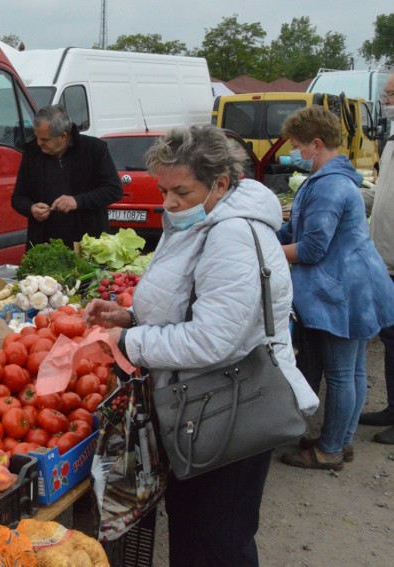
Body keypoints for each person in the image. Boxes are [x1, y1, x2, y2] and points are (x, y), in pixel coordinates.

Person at [85, 125, 318, 567]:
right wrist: (131, 316)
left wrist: (131, 340)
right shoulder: (204, 220)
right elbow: (193, 303)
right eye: (164, 190)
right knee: (196, 528)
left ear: (222, 183)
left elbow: (216, 339)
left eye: (181, 192)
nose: (169, 203)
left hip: (230, 406)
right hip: (203, 403)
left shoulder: (232, 235)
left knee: (218, 538)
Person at [276, 106, 394, 469]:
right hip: (359, 284)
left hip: (343, 291)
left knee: (343, 374)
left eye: (297, 146)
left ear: (315, 144)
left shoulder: (329, 186)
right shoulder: (339, 178)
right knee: (354, 371)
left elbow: (311, 249)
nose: (293, 153)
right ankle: (341, 441)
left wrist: (263, 251)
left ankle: (329, 451)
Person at [11, 104, 122, 248]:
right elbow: (17, 198)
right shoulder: (32, 154)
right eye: (37, 137)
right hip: (44, 246)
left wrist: (77, 201)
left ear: (64, 136)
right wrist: (31, 208)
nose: (39, 143)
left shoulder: (94, 149)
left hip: (88, 243)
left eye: (45, 140)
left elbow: (114, 190)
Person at [359, 76, 394, 444]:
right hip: (385, 258)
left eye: (390, 95)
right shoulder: (391, 143)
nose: (385, 101)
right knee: (390, 338)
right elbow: (383, 195)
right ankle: (392, 409)